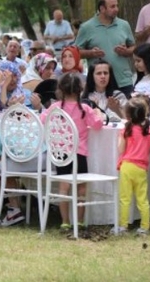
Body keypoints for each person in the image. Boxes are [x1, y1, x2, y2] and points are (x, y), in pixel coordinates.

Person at [41, 72, 104, 234]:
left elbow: (42, 120)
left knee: (64, 186)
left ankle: (65, 221)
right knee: (81, 187)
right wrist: (98, 113)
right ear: (80, 90)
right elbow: (97, 125)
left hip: (60, 153)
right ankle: (81, 220)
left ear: (60, 89)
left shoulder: (55, 108)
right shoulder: (85, 109)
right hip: (79, 152)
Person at [74, 0, 136, 97]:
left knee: (127, 112)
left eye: (117, 6)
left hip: (123, 80)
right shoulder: (86, 27)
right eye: (112, 6)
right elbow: (75, 53)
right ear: (102, 8)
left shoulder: (124, 25)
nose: (116, 9)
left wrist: (126, 51)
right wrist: (91, 53)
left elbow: (134, 47)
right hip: (100, 84)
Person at [114, 96, 150, 236]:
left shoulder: (126, 130)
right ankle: (145, 227)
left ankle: (123, 226)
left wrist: (120, 138)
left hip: (127, 166)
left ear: (127, 115)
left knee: (125, 198)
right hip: (141, 168)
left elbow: (120, 150)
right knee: (142, 199)